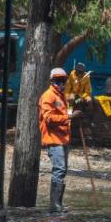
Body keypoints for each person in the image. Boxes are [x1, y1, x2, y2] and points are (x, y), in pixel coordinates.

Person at [39, 68, 80, 213]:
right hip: (53, 139)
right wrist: (69, 117)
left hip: (63, 139)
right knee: (59, 169)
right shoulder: (48, 96)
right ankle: (55, 205)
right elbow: (49, 119)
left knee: (62, 170)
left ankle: (58, 204)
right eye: (58, 81)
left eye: (63, 81)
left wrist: (73, 112)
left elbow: (65, 112)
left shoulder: (62, 97)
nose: (61, 84)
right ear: (52, 82)